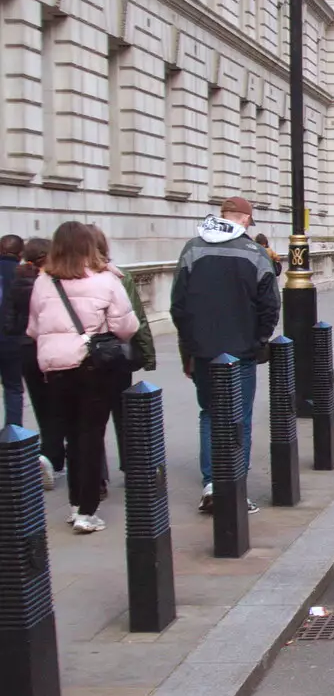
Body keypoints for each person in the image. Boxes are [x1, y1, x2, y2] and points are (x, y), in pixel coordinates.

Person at [171, 196, 280, 514]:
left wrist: (189, 346)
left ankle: (211, 484)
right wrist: (258, 339)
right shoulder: (255, 253)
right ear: (245, 220)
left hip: (202, 350)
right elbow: (270, 306)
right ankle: (232, 488)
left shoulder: (192, 248)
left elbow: (178, 305)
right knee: (238, 418)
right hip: (240, 350)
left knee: (209, 413)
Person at [28, 221, 139, 533]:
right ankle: (85, 511)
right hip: (92, 366)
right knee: (89, 436)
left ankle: (76, 503)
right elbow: (127, 327)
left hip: (55, 367)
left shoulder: (43, 282)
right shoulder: (105, 279)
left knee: (70, 434)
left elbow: (34, 327)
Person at [93, 227, 157, 477]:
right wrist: (147, 353)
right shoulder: (118, 277)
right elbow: (134, 319)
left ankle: (96, 477)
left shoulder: (59, 279)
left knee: (89, 420)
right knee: (122, 411)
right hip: (114, 353)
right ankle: (131, 465)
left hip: (78, 357)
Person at [2, 238, 58, 487]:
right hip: (46, 346)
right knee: (56, 406)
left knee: (37, 401)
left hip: (21, 344)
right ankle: (51, 456)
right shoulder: (48, 280)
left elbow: (10, 319)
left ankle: (29, 449)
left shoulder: (18, 279)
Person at [0, 234, 24, 427]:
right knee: (13, 388)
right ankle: (13, 435)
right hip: (13, 339)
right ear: (21, 253)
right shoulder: (22, 274)